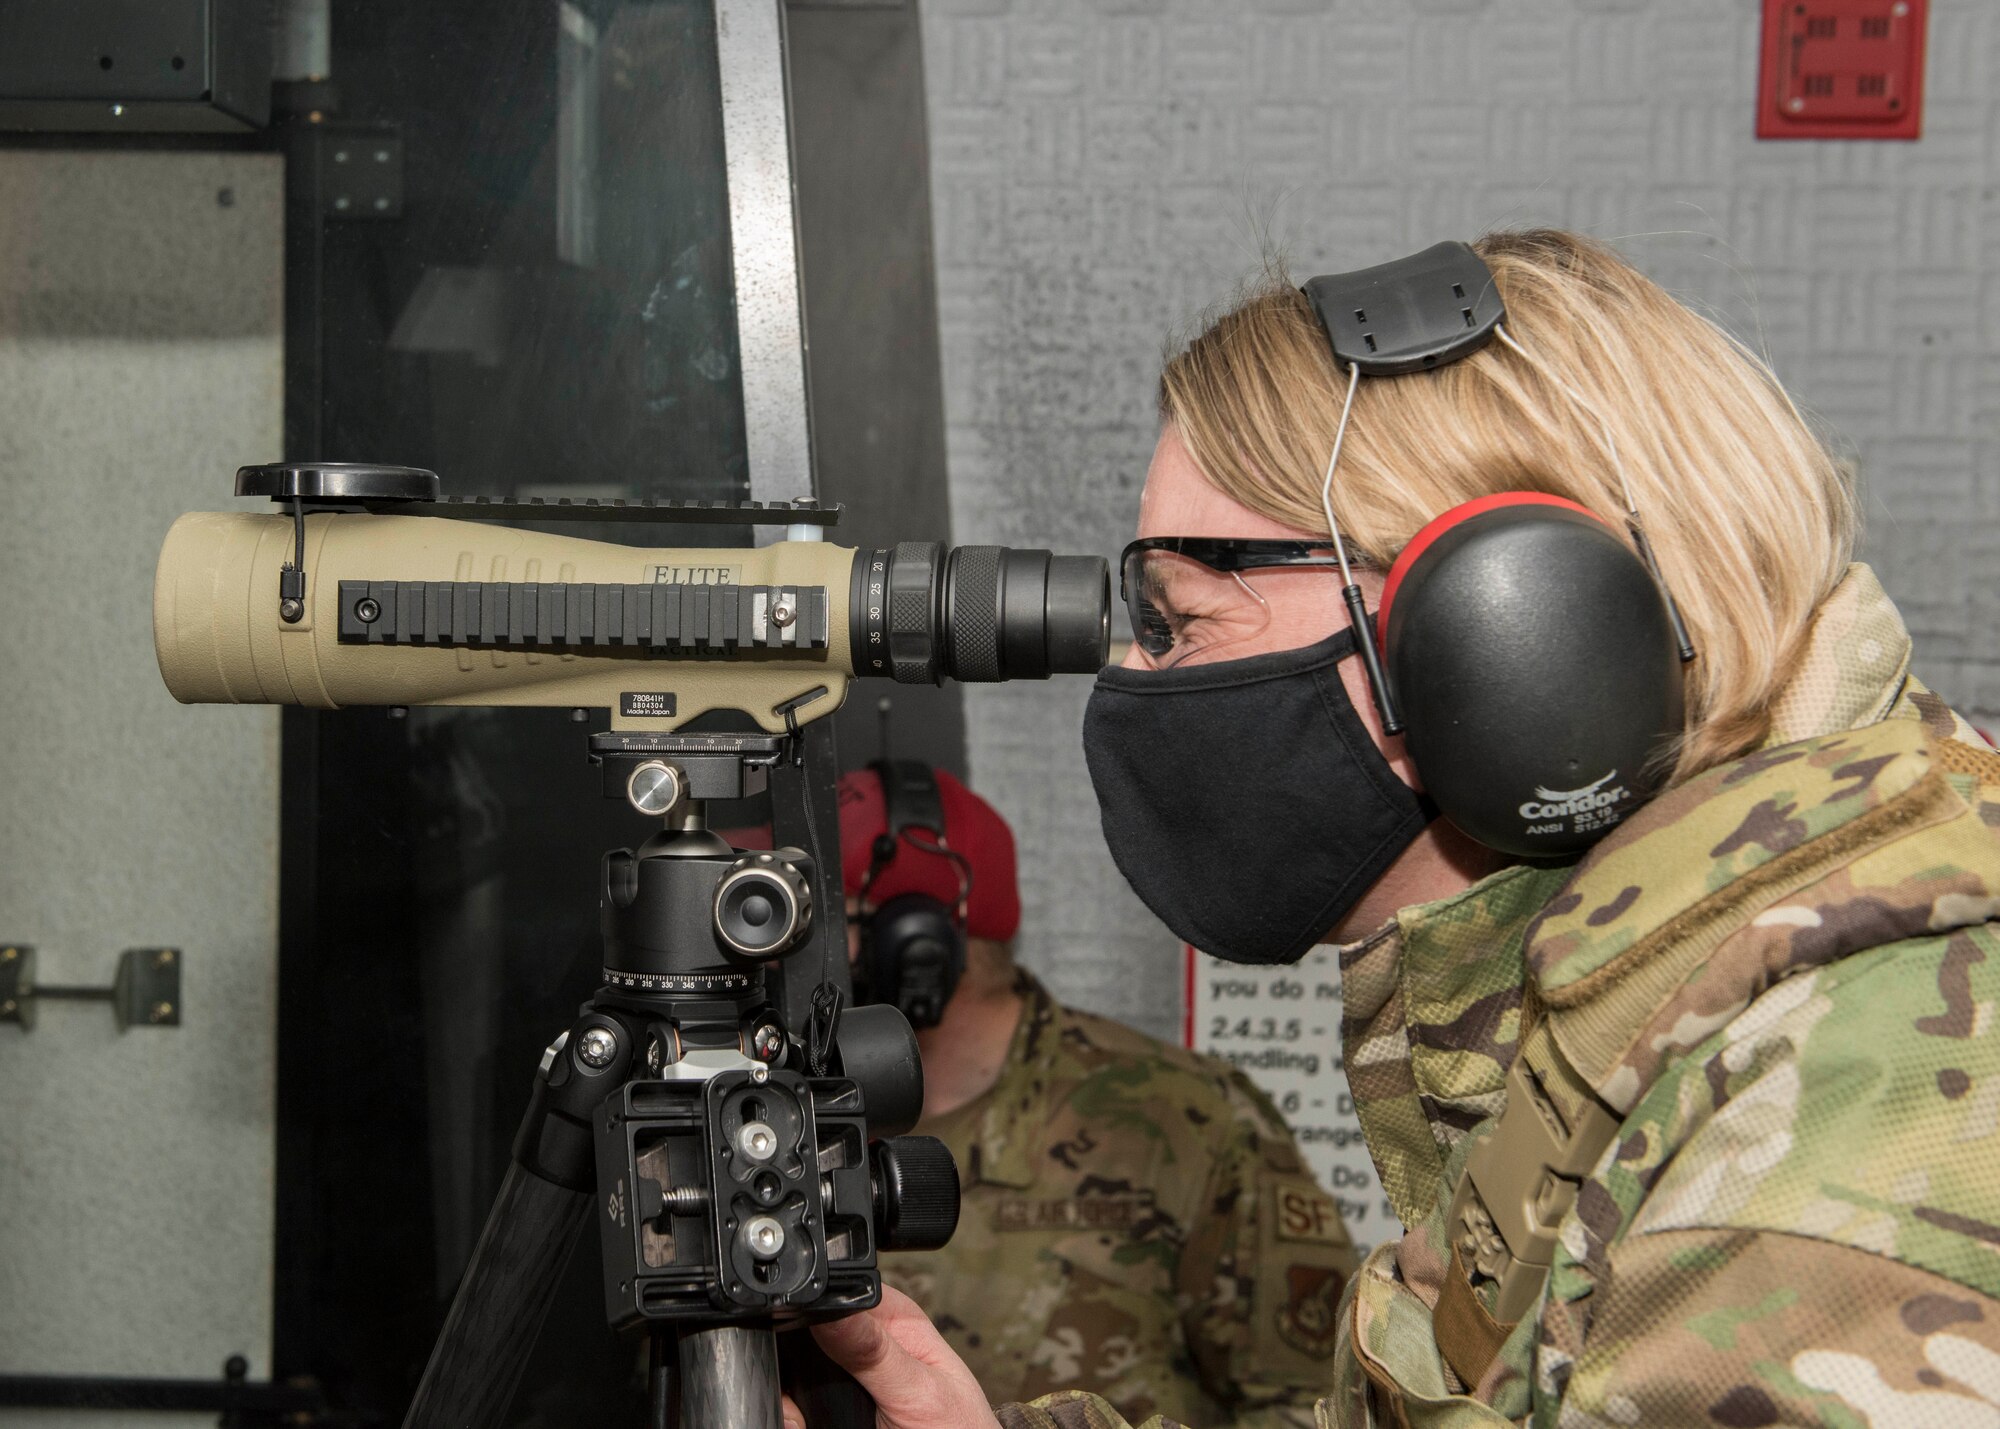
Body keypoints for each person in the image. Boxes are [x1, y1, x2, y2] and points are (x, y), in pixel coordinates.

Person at [782, 230, 2000, 1429]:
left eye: (1183, 615)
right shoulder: (1635, 1012)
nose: (1146, 673)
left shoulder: (1859, 1069)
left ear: (1496, 622)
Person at [746, 763, 1359, 1426]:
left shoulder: (1185, 1120)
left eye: (800, 925)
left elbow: (1319, 1404)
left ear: (915, 943)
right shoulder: (768, 1124)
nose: (771, 955)